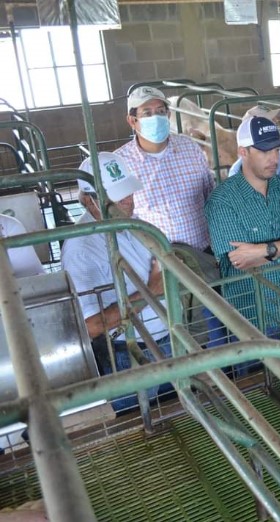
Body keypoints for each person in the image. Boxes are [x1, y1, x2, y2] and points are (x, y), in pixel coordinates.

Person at [61, 152, 171, 412]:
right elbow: (90, 326)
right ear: (88, 200)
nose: (127, 201)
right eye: (116, 197)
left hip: (164, 339)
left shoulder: (135, 225)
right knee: (135, 417)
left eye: (128, 193)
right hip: (127, 352)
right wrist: (151, 291)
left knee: (169, 410)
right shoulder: (81, 249)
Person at [205, 117, 280, 352]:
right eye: (264, 151)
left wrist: (262, 250)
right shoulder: (222, 199)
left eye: (277, 150)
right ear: (243, 152)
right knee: (254, 375)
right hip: (250, 316)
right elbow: (240, 260)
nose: (274, 159)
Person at [114, 86, 216, 252]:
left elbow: (210, 194)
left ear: (168, 115)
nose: (156, 117)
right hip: (157, 258)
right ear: (132, 121)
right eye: (147, 113)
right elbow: (121, 216)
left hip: (204, 251)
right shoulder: (121, 163)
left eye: (161, 111)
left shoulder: (190, 148)